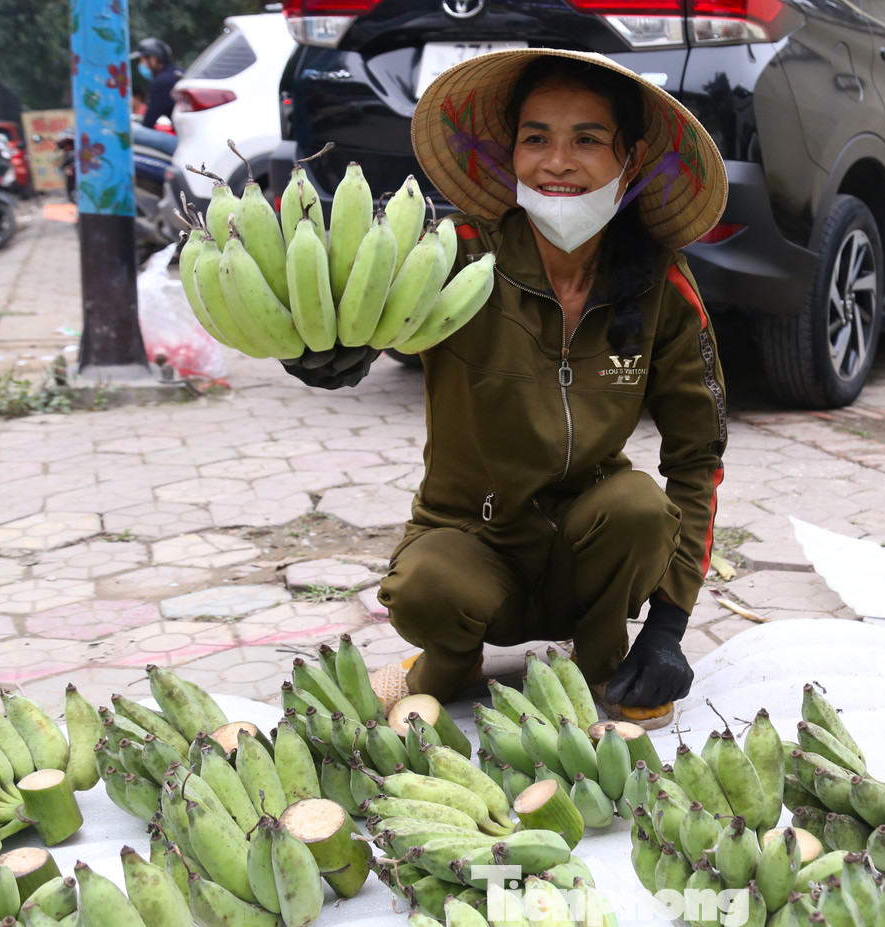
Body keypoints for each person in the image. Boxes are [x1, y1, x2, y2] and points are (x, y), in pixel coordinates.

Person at [282, 49, 728, 727]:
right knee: (428, 585)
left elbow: (699, 458)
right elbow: (368, 319)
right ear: (510, 153)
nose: (556, 162)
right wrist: (326, 351)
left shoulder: (660, 285)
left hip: (592, 550)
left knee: (638, 506)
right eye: (536, 138)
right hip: (471, 540)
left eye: (586, 139)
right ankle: (452, 658)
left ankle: (604, 658)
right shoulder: (456, 254)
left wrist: (667, 625)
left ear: (630, 160)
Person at [131, 37, 183, 131]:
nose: (141, 64)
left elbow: (149, 122)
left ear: (152, 59)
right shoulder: (179, 73)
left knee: (135, 132)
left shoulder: (161, 82)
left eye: (142, 60)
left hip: (183, 137)